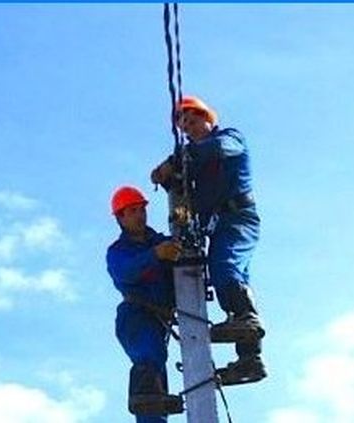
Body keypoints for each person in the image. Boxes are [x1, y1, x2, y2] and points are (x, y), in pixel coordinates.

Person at [151, 95, 266, 385]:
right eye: (183, 124)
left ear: (207, 117)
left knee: (225, 268)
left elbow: (217, 150)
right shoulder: (194, 164)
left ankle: (245, 319)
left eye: (192, 119)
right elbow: (185, 193)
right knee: (232, 275)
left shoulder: (229, 138)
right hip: (220, 224)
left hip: (238, 217)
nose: (188, 127)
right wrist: (168, 178)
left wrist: (176, 160)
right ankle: (249, 359)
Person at [106, 186, 184, 422]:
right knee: (151, 357)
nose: (140, 215)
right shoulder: (119, 251)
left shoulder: (158, 241)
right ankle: (145, 407)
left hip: (157, 319)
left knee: (157, 375)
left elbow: (179, 247)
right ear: (120, 217)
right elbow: (126, 271)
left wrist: (182, 225)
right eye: (133, 211)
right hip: (135, 316)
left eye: (141, 209)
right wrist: (156, 255)